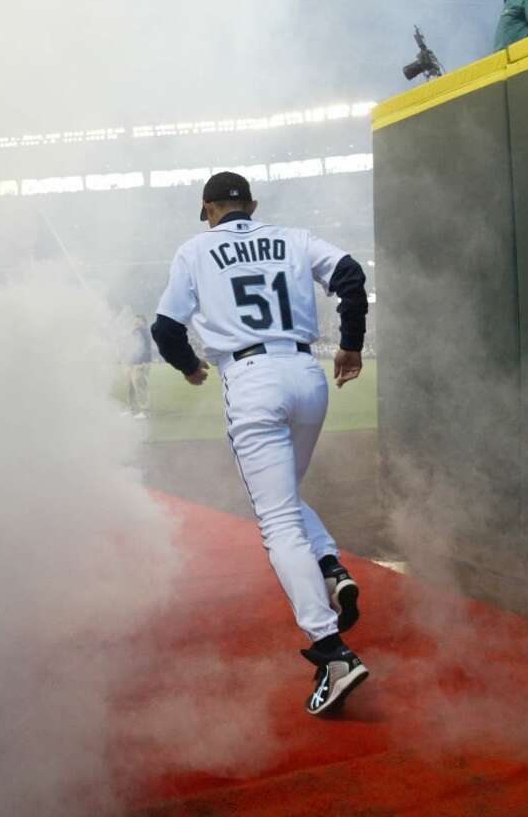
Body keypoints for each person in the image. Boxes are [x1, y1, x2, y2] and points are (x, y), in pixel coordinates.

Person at [150, 171, 370, 716]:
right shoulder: (293, 237)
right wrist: (351, 345)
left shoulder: (196, 249)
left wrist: (190, 367)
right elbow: (349, 274)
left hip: (251, 380)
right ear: (252, 203)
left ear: (207, 209)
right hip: (306, 371)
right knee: (286, 496)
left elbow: (164, 329)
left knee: (275, 519)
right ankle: (329, 566)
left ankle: (330, 650)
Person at [125, 314, 152, 419]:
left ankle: (145, 412)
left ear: (144, 322)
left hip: (141, 363)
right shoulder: (135, 331)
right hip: (133, 363)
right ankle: (132, 410)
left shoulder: (143, 331)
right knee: (130, 387)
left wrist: (140, 362)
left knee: (140, 387)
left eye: (138, 320)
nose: (135, 322)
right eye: (135, 320)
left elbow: (142, 348)